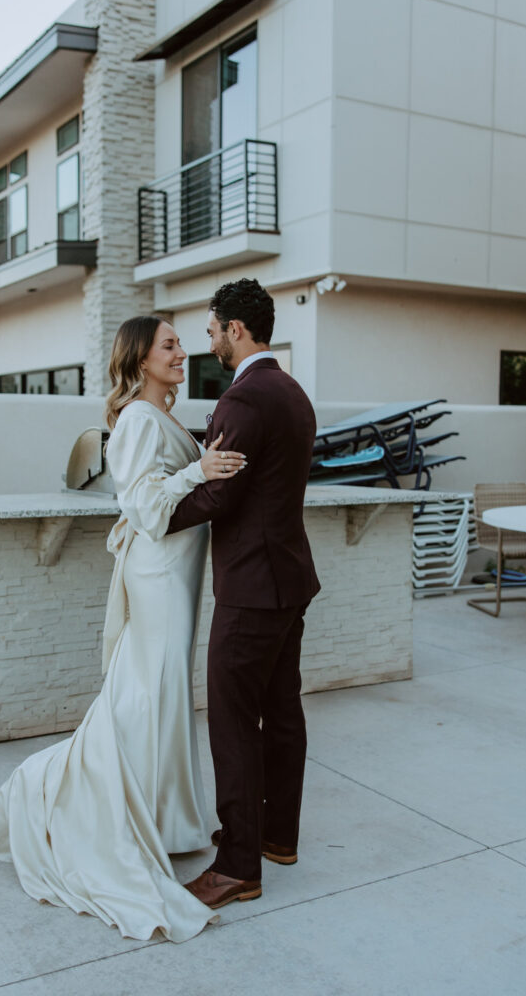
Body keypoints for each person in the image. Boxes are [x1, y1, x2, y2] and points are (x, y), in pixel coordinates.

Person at [0, 315, 246, 943]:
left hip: (177, 572)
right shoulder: (132, 420)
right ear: (139, 359)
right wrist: (198, 472)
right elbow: (143, 504)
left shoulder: (159, 416)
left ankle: (162, 818)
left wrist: (199, 465)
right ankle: (74, 799)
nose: (182, 352)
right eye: (169, 345)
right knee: (145, 688)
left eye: (182, 343)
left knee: (163, 693)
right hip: (157, 574)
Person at [166, 277, 320, 910]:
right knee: (282, 711)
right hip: (289, 578)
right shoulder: (292, 392)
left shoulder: (243, 400)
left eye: (211, 331)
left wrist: (150, 512)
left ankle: (236, 866)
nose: (208, 342)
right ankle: (277, 837)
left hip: (252, 587)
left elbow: (216, 494)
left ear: (235, 329)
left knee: (232, 720)